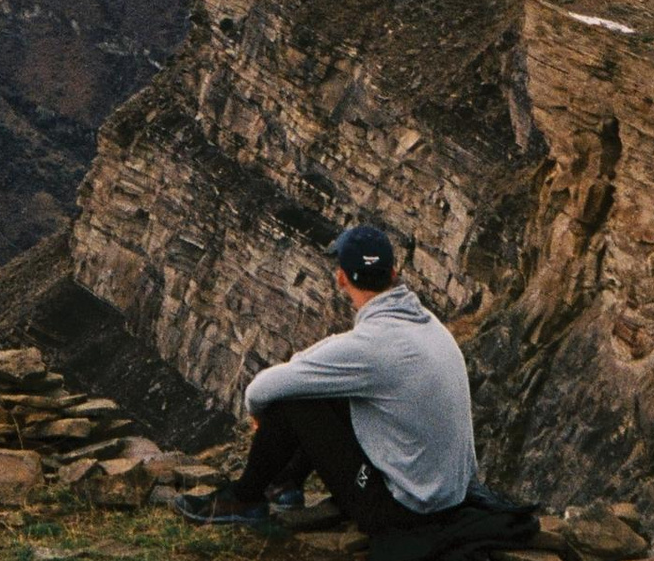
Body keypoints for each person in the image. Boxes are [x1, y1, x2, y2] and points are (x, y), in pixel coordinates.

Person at [179, 221, 478, 539]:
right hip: (447, 497)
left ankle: (245, 499)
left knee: (294, 402)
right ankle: (285, 485)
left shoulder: (373, 346)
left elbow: (260, 389)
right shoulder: (426, 323)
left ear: (341, 278)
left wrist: (258, 413)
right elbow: (339, 350)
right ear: (393, 273)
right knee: (325, 387)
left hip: (403, 512)